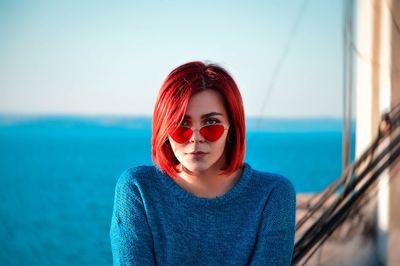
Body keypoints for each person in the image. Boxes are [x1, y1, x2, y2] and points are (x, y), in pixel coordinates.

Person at [110, 61, 296, 265]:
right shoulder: (138, 189)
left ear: (231, 127)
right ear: (164, 130)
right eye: (181, 124)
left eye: (211, 123)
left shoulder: (273, 194)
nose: (196, 137)